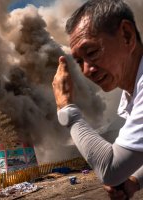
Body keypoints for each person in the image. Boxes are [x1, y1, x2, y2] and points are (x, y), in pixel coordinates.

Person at [52, 0, 143, 199]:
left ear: (126, 36)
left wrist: (66, 108)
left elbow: (110, 169)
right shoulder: (132, 94)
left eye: (92, 53)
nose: (86, 70)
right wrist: (135, 182)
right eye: (79, 62)